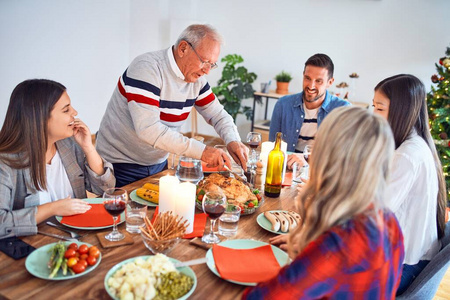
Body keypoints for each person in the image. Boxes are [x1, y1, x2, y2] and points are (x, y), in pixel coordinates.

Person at [243, 106, 404, 299]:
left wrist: (311, 252)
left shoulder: (338, 245)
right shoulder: (389, 221)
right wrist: (310, 244)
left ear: (330, 160)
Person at [96, 24, 248, 187]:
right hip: (120, 164)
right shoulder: (147, 68)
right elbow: (148, 129)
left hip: (158, 164)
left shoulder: (196, 81)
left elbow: (218, 115)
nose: (207, 71)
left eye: (212, 64)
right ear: (183, 48)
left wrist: (233, 140)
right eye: (204, 61)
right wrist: (202, 151)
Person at [0, 79, 115, 239]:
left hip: (77, 240)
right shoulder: (5, 163)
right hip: (32, 248)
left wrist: (88, 148)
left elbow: (105, 189)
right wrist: (53, 208)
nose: (74, 112)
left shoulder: (68, 145)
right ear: (40, 118)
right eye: (66, 110)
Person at [372, 74, 447, 295]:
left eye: (380, 109)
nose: (374, 115)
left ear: (400, 111)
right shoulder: (414, 144)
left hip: (406, 264)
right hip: (412, 255)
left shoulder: (408, 155)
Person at [269, 53, 350, 169]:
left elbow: (343, 157)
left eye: (319, 81)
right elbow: (273, 148)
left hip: (320, 175)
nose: (311, 86)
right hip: (286, 171)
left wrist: (306, 164)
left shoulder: (343, 110)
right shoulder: (283, 105)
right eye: (307, 78)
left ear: (330, 82)